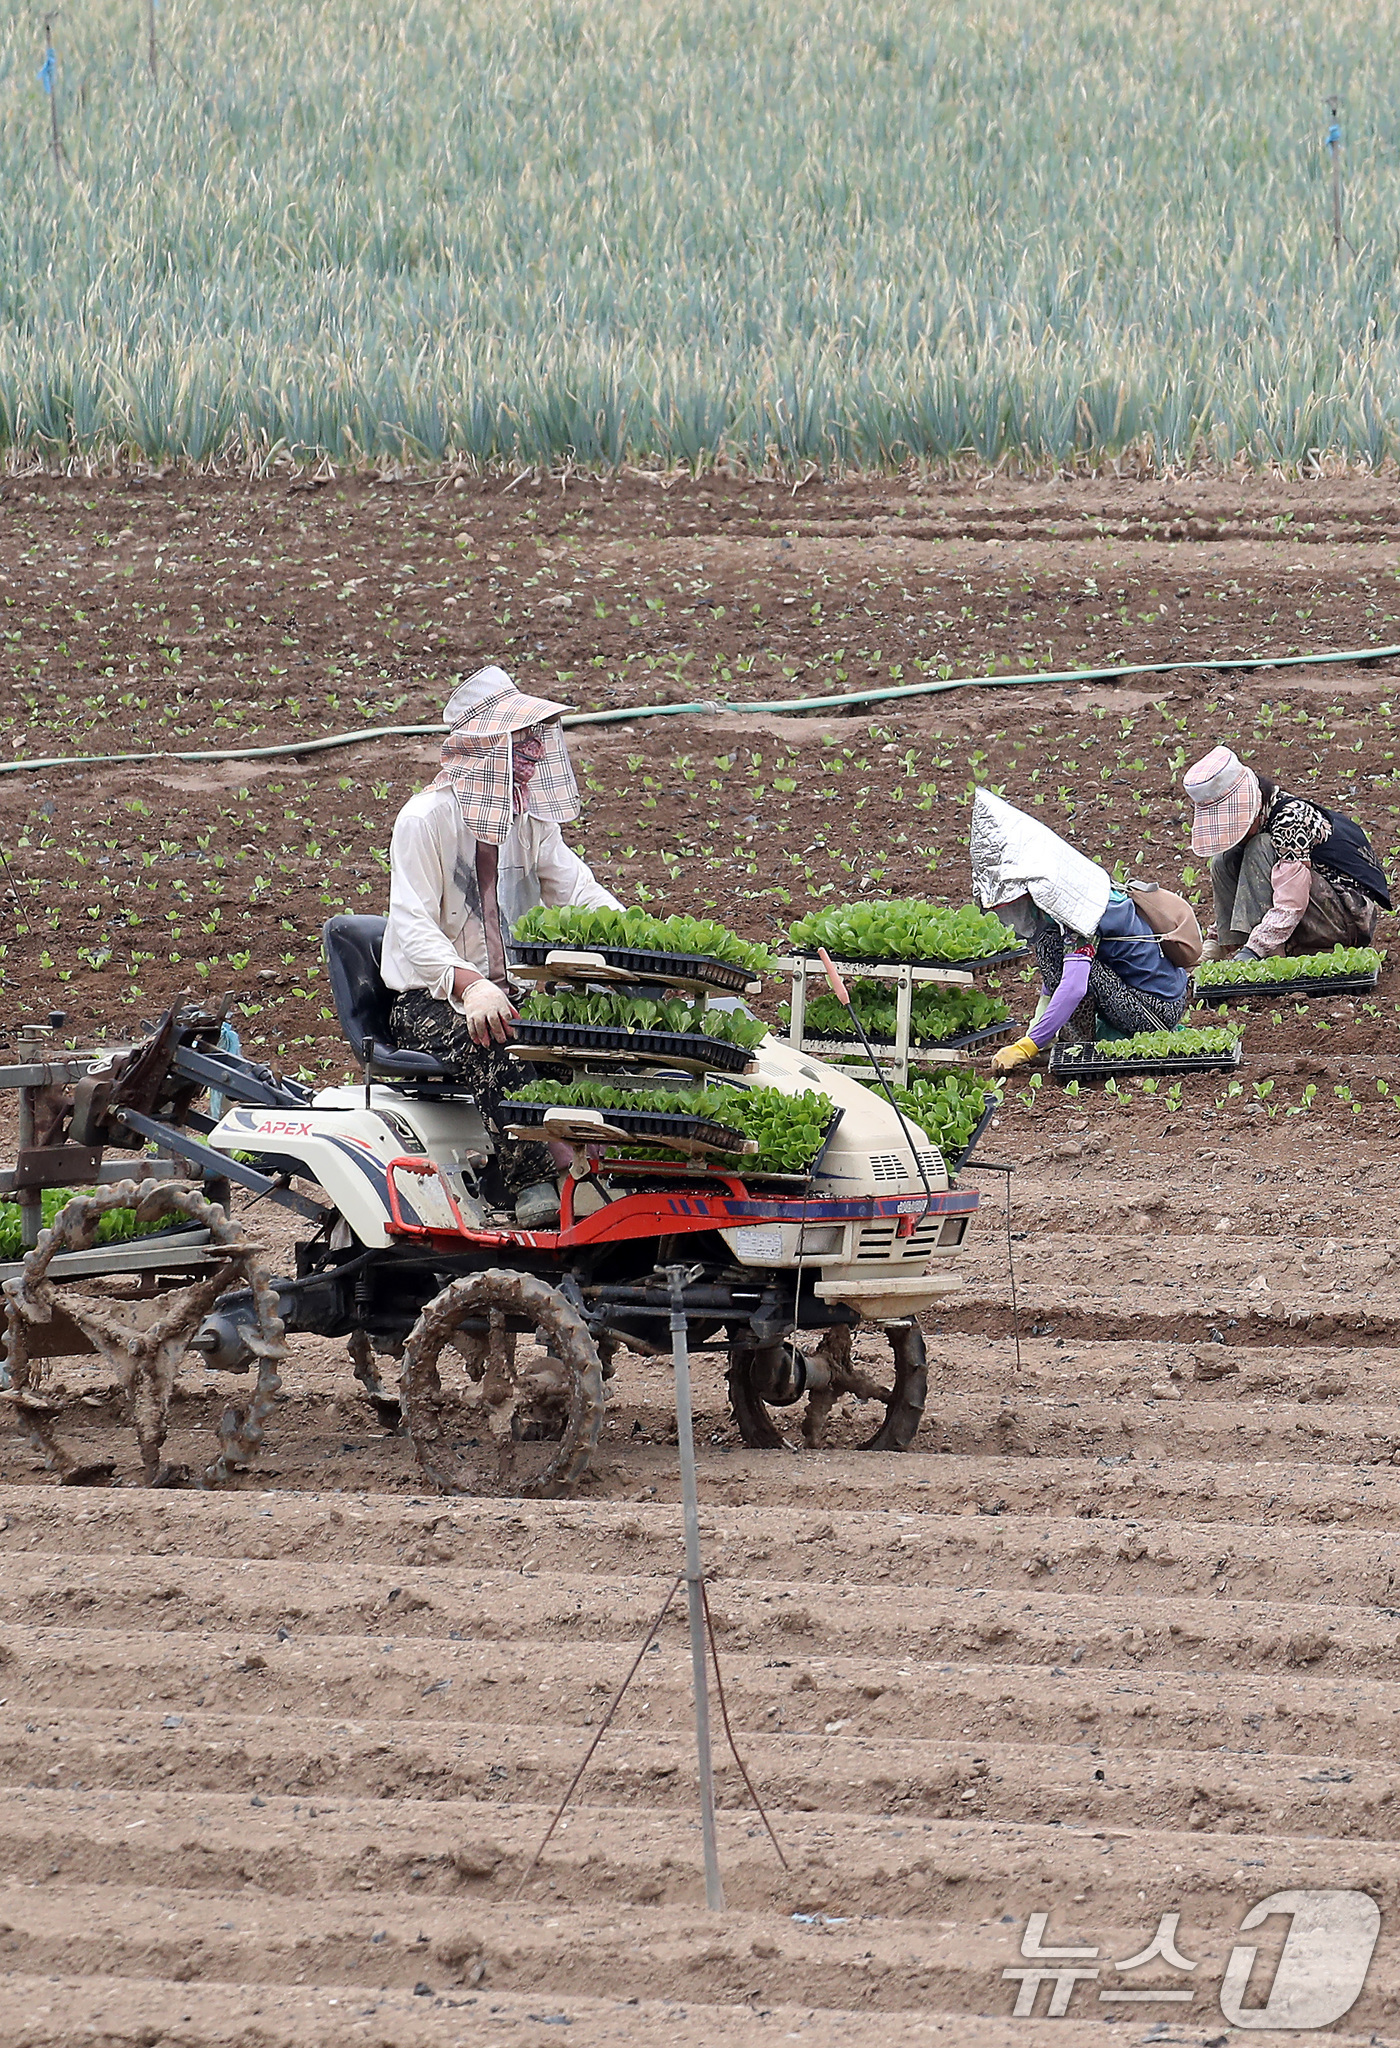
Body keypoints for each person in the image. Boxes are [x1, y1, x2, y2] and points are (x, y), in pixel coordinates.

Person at [381, 665, 623, 1226]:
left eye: (540, 739)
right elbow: (413, 926)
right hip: (430, 996)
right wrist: (470, 984)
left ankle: (596, 1164)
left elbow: (579, 892)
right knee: (499, 1033)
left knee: (578, 1034)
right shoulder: (423, 821)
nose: (538, 752)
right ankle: (531, 1183)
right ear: (482, 749)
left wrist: (644, 945)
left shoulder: (530, 821)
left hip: (508, 987)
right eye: (523, 741)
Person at [968, 789, 1190, 1073]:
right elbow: (1053, 981)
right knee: (1053, 949)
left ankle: (1080, 1046)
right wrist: (1039, 1037)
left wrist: (1029, 1045)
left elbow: (1073, 987)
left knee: (1070, 962)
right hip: (1149, 997)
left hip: (1155, 1011)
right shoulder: (1065, 911)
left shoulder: (1081, 914)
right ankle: (1064, 1042)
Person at [1182, 746, 1390, 961]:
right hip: (1314, 914)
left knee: (1259, 847)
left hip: (1346, 920)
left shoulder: (1290, 820)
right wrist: (1213, 944)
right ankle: (1239, 947)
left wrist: (1256, 948)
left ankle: (1268, 954)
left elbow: (1291, 901)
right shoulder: (1264, 818)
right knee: (1224, 859)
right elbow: (1240, 896)